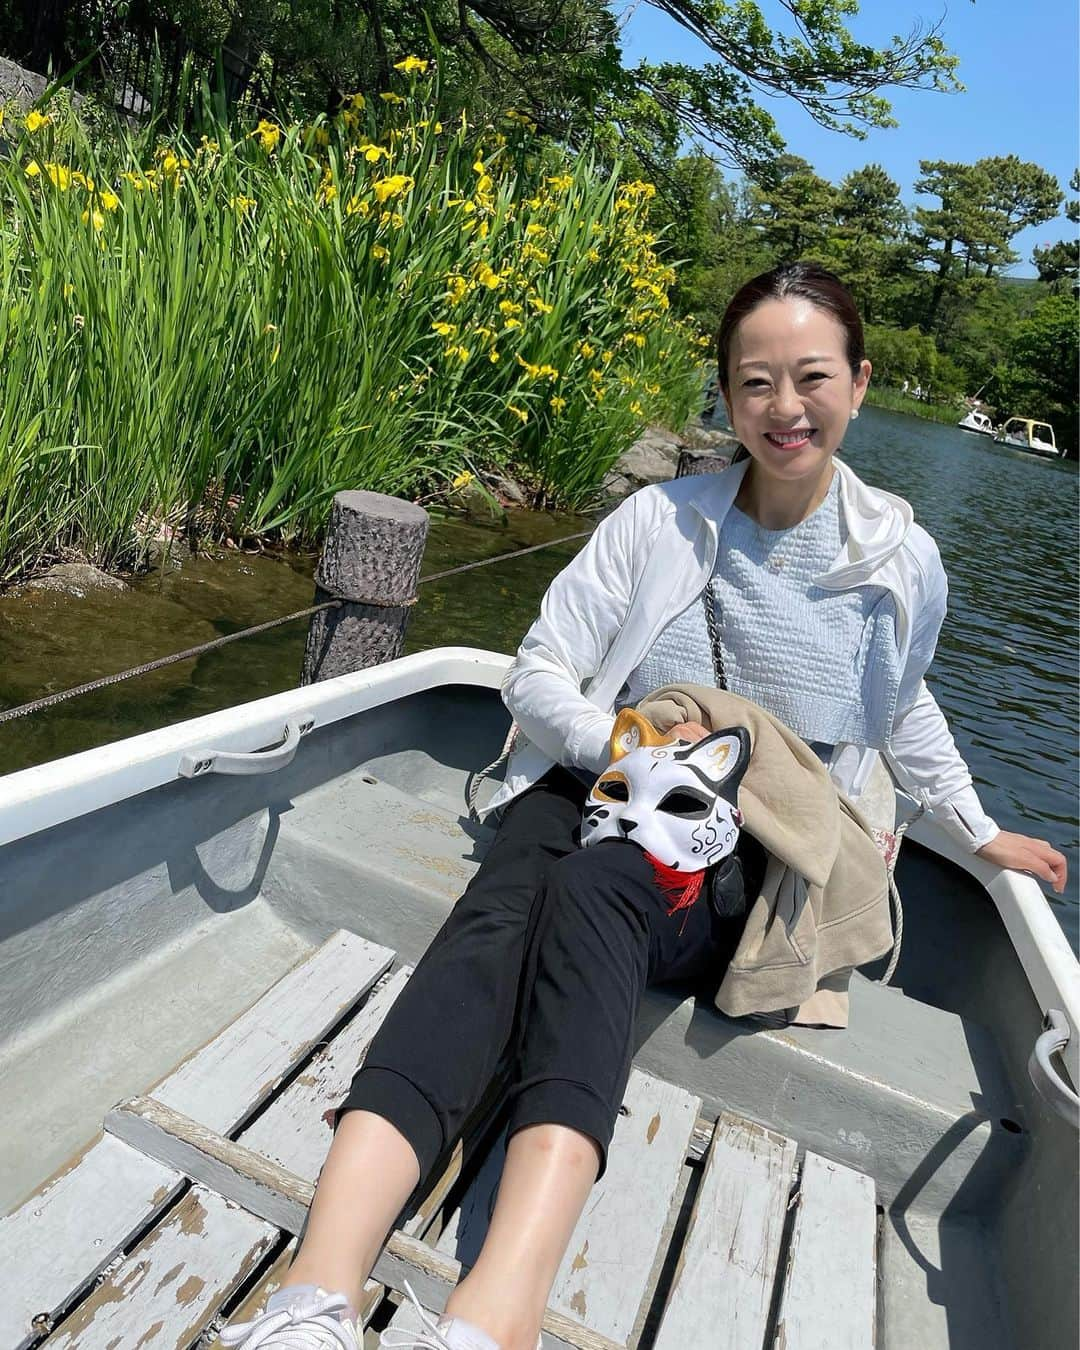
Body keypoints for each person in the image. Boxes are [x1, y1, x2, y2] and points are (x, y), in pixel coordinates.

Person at [219, 262, 1067, 1350]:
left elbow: (904, 710)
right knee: (502, 909)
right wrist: (619, 741)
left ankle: (498, 1309)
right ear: (725, 395)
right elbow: (539, 672)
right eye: (754, 381)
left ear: (859, 382)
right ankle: (314, 1296)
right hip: (602, 779)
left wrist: (977, 828)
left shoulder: (902, 565)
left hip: (751, 840)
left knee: (600, 883)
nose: (783, 406)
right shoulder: (657, 522)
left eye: (811, 377)